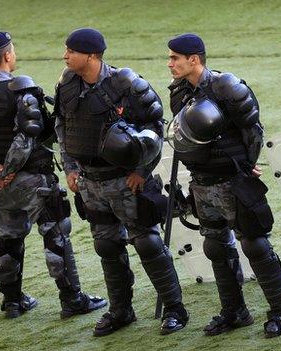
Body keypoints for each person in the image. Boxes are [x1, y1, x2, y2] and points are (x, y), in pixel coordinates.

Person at [0, 32, 106, 319]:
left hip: (0, 185)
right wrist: (8, 170)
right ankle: (72, 299)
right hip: (32, 179)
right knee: (56, 235)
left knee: (9, 238)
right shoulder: (21, 92)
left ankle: (12, 301)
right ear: (7, 56)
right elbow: (25, 140)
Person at [54, 28, 188, 336]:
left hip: (126, 182)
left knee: (148, 243)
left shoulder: (126, 83)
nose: (65, 56)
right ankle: (121, 311)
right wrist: (71, 167)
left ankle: (175, 309)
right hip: (90, 183)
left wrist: (142, 170)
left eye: (71, 51)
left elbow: (156, 127)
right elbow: (62, 125)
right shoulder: (67, 82)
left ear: (91, 55)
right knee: (106, 245)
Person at [167, 33, 281, 338]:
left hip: (234, 181)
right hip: (201, 182)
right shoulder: (178, 92)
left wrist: (248, 165)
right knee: (215, 247)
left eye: (175, 58)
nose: (169, 64)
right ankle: (234, 311)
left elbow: (253, 129)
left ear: (193, 59)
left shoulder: (227, 87)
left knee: (255, 245)